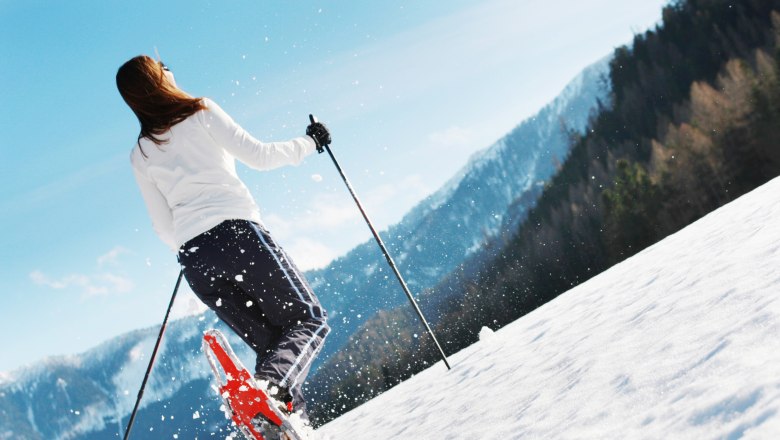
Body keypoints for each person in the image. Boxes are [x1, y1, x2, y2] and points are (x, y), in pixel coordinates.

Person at [116, 55, 330, 423]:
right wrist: (310, 143)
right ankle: (271, 392)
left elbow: (162, 226)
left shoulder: (141, 153)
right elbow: (260, 157)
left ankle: (285, 424)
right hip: (236, 235)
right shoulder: (200, 111)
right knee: (309, 320)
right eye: (163, 65)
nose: (170, 68)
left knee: (273, 345)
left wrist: (191, 243)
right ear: (158, 79)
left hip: (196, 259)